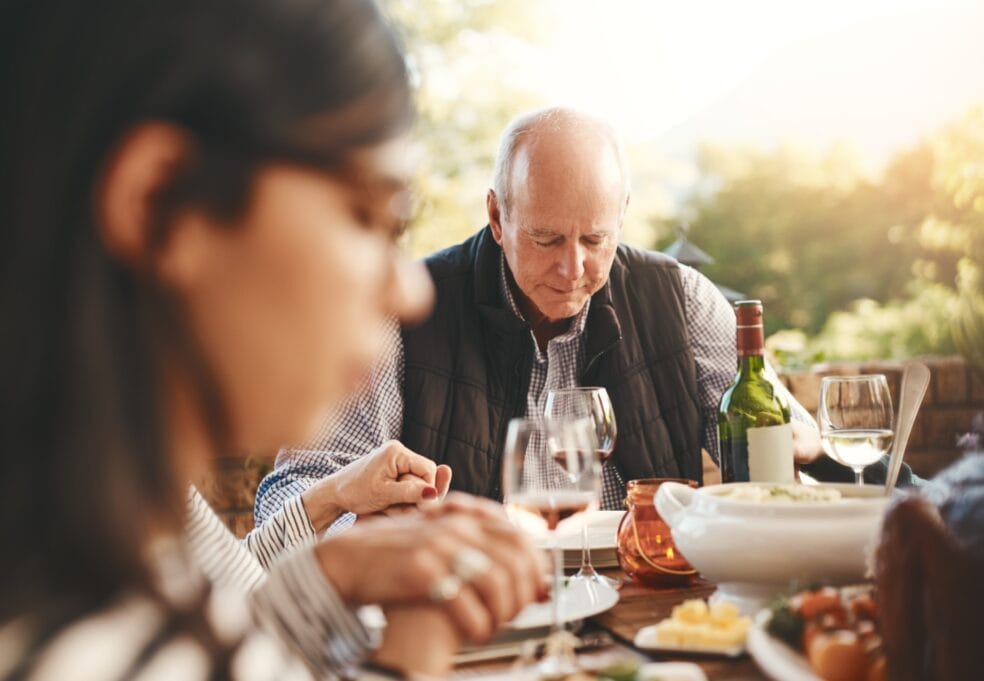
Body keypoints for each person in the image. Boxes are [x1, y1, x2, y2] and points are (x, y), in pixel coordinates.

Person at [0, 0, 546, 679]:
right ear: (164, 205)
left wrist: (336, 548)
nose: (412, 291)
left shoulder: (106, 523)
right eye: (366, 214)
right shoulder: (69, 634)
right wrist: (416, 642)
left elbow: (225, 614)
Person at [257, 107, 831, 532]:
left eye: (595, 238)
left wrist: (799, 456)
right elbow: (285, 498)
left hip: (652, 610)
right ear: (497, 216)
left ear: (623, 217)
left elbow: (786, 462)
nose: (572, 268)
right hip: (471, 627)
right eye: (545, 237)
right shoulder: (405, 315)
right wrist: (366, 527)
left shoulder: (682, 301)